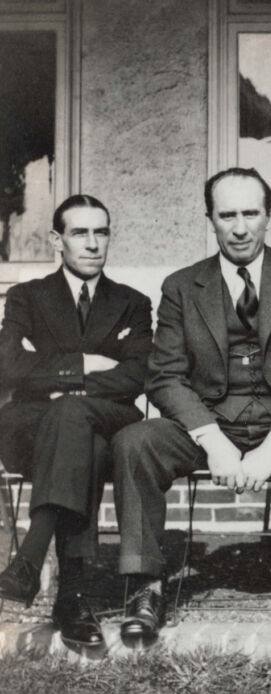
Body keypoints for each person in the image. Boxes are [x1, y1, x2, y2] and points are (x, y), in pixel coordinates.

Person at [112, 168, 271, 644]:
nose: (240, 227)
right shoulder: (182, 286)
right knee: (135, 441)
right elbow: (164, 376)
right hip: (210, 421)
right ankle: (145, 586)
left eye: (251, 213)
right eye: (226, 214)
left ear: (270, 215)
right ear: (209, 218)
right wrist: (211, 440)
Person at [0, 195, 152, 650]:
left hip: (109, 417)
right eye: (79, 233)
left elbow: (139, 373)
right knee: (82, 440)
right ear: (57, 239)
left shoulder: (132, 302)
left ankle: (31, 557)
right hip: (35, 427)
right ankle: (72, 597)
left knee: (73, 415)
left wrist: (58, 380)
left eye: (100, 232)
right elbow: (7, 365)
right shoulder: (27, 296)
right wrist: (83, 363)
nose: (92, 244)